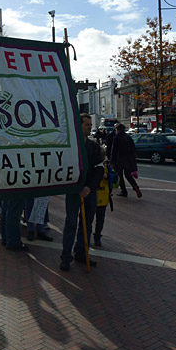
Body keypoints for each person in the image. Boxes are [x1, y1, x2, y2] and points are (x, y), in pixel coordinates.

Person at [60, 113, 104, 271]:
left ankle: (81, 253)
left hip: (89, 192)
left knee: (87, 224)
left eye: (90, 124)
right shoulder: (71, 146)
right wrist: (76, 186)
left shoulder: (94, 146)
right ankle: (66, 257)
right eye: (87, 124)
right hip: (73, 191)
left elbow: (99, 169)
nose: (90, 127)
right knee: (71, 223)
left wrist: (89, 187)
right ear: (78, 125)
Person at [110, 123, 141, 198]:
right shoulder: (128, 137)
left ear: (117, 130)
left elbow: (114, 151)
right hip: (128, 159)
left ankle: (124, 191)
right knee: (128, 175)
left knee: (120, 176)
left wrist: (112, 161)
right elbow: (133, 149)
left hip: (119, 160)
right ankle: (135, 186)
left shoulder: (117, 138)